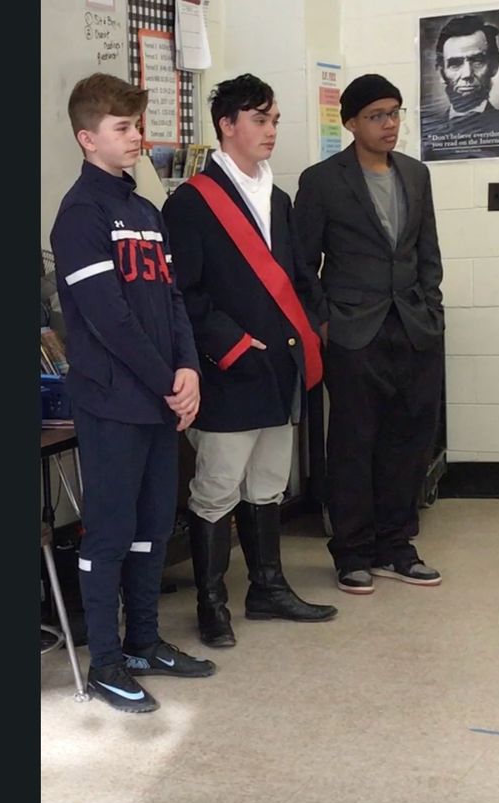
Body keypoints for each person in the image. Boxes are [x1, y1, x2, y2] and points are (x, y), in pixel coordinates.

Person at [50, 73, 215, 714]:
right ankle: (107, 664)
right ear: (88, 138)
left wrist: (189, 370)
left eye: (136, 125)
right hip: (113, 402)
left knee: (153, 527)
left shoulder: (145, 211)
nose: (135, 137)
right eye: (122, 128)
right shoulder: (80, 215)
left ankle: (144, 643)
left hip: (159, 399)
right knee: (111, 533)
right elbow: (108, 319)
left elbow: (171, 301)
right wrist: (163, 382)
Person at [163, 74, 338, 648]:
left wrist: (311, 329)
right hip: (228, 369)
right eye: (260, 119)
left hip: (281, 367)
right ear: (227, 125)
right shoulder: (190, 201)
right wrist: (234, 345)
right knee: (217, 488)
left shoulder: (279, 198)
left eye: (275, 120)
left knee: (267, 485)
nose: (271, 131)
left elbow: (296, 279)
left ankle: (267, 587)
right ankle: (211, 602)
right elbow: (185, 293)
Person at [294, 73, 445, 595]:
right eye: (378, 115)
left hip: (414, 329)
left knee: (409, 442)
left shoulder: (416, 174)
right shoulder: (321, 181)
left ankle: (397, 547)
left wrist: (433, 313)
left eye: (395, 112)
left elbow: (428, 254)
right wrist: (326, 321)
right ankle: (353, 552)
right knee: (355, 443)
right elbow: (301, 263)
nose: (390, 124)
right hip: (354, 333)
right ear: (352, 122)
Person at [421, 14, 499, 161]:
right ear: (441, 72)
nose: (467, 74)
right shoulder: (426, 137)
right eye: (455, 64)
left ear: (494, 66)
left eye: (477, 61)